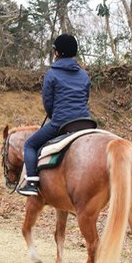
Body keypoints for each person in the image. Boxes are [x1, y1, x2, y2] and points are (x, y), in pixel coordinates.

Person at [17, 34, 92, 196]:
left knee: (30, 145)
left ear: (57, 52)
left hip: (62, 123)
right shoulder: (84, 75)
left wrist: (54, 116)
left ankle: (31, 182)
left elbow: (48, 102)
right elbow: (85, 98)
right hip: (86, 122)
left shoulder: (51, 74)